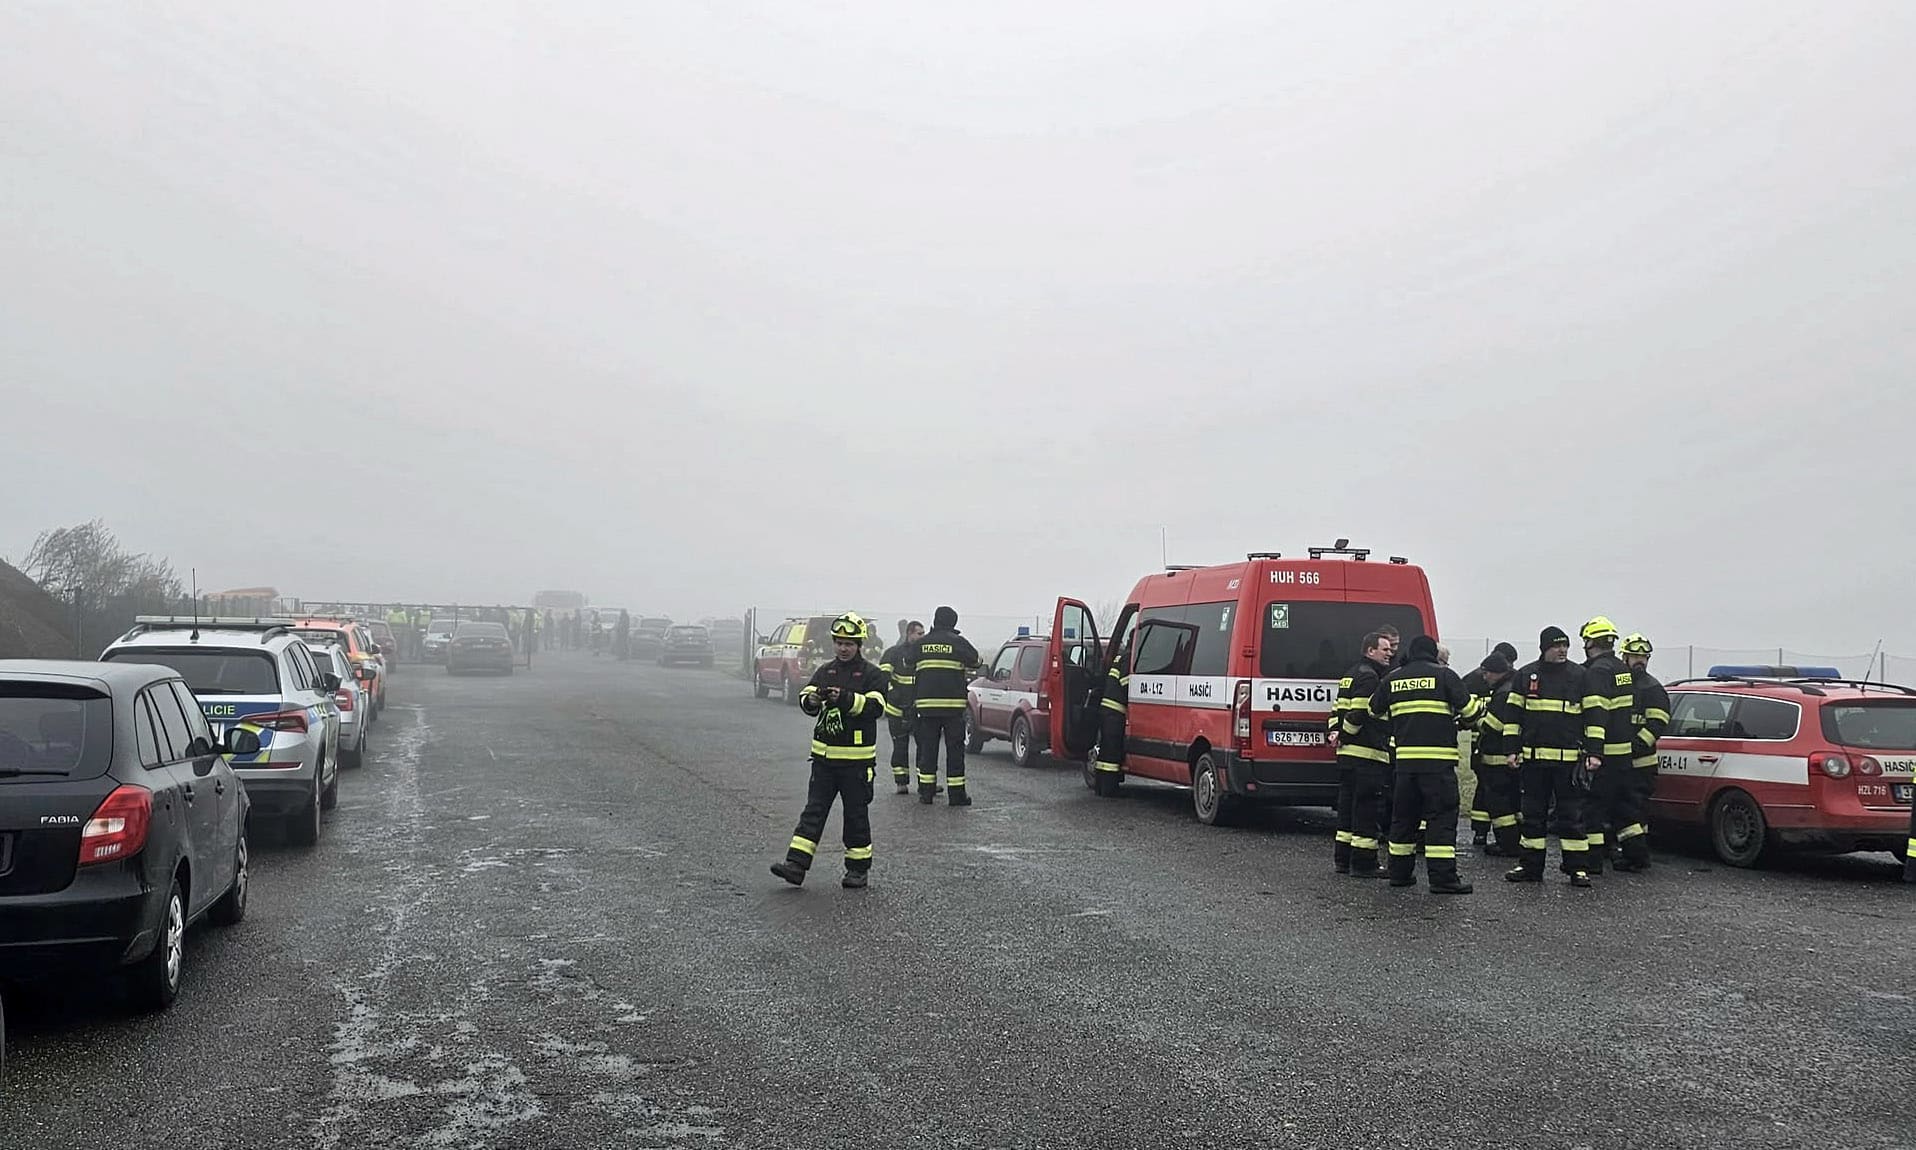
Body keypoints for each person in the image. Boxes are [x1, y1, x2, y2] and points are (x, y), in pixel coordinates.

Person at [770, 613, 887, 889]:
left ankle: (857, 870)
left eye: (849, 643)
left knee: (855, 816)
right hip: (823, 762)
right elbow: (806, 699)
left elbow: (877, 707)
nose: (843, 648)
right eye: (839, 642)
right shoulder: (825, 670)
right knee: (813, 812)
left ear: (859, 644)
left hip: (856, 764)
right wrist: (810, 699)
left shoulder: (873, 674)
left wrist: (844, 699)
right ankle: (795, 866)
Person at [1368, 635, 1486, 893]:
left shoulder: (1393, 678)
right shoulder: (1445, 676)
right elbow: (1472, 713)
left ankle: (1399, 874)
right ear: (1433, 653)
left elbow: (1373, 709)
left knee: (1403, 819)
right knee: (1440, 819)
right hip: (1438, 765)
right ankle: (1442, 879)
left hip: (1405, 765)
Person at [1497, 627, 1594, 887]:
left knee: (1571, 816)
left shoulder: (1580, 676)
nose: (1562, 650)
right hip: (1535, 762)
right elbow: (1513, 717)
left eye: (1565, 646)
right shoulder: (1526, 675)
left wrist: (1594, 753)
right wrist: (1511, 750)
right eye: (1556, 646)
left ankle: (1578, 869)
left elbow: (1594, 717)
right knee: (1532, 816)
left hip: (1569, 763)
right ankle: (1530, 867)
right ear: (1544, 648)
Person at [1331, 630, 1396, 875]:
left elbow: (1336, 710)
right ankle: (1364, 863)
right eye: (1385, 649)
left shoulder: (1350, 674)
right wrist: (1346, 732)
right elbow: (1359, 713)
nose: (1390, 653)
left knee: (1347, 808)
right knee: (1367, 810)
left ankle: (1343, 859)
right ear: (1371, 651)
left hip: (1347, 755)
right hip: (1367, 755)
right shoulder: (1370, 678)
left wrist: (1336, 733)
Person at [1578, 616, 1636, 876]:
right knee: (1622, 807)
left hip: (1605, 753)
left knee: (1594, 807)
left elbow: (1597, 711)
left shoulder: (1598, 671)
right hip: (1624, 753)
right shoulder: (1621, 670)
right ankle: (1636, 856)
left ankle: (1593, 861)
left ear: (1590, 641)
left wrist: (1594, 751)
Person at [907, 606, 981, 806]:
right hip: (953, 709)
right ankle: (957, 796)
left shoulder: (922, 643)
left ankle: (926, 793)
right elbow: (976, 660)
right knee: (955, 752)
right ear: (953, 623)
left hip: (926, 707)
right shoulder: (959, 643)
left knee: (928, 750)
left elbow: (907, 661)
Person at [1461, 643, 1521, 851]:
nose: (1483, 678)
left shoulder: (1503, 692)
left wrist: (1475, 719)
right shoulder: (1512, 684)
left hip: (1496, 754)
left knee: (1498, 801)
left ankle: (1507, 842)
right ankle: (1512, 839)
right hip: (1501, 753)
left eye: (1487, 674)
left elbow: (1494, 725)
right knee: (1507, 798)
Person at [1618, 633, 1668, 872]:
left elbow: (1657, 724)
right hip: (1621, 760)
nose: (1640, 661)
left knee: (1632, 810)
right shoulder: (1621, 683)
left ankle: (1637, 857)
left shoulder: (1653, 688)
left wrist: (1634, 747)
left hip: (1641, 763)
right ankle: (1631, 852)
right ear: (1624, 657)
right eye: (1635, 656)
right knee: (1630, 811)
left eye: (1644, 657)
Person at [877, 621, 925, 794]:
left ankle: (925, 783)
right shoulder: (893, 653)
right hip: (896, 709)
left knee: (924, 747)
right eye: (919, 633)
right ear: (909, 633)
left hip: (918, 709)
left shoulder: (923, 654)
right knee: (900, 746)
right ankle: (901, 783)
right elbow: (883, 677)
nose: (922, 636)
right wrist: (893, 693)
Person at [1091, 633, 1133, 798]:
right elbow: (1125, 683)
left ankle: (1100, 788)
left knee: (1105, 751)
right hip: (1115, 712)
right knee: (1112, 754)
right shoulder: (1128, 658)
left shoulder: (1120, 656)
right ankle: (1108, 789)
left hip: (1107, 709)